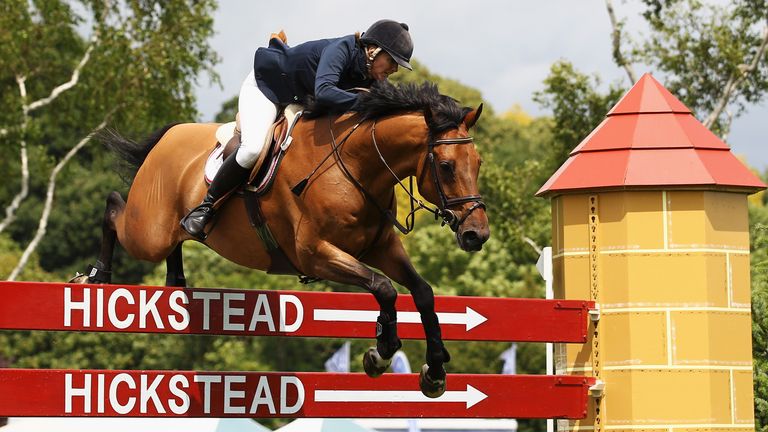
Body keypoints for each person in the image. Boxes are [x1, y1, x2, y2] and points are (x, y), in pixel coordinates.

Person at [181, 19, 414, 240]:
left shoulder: (372, 75)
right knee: (252, 148)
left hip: (299, 99)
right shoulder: (342, 49)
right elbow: (324, 91)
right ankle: (206, 207)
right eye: (392, 61)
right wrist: (366, 102)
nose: (394, 69)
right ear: (373, 50)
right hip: (268, 89)